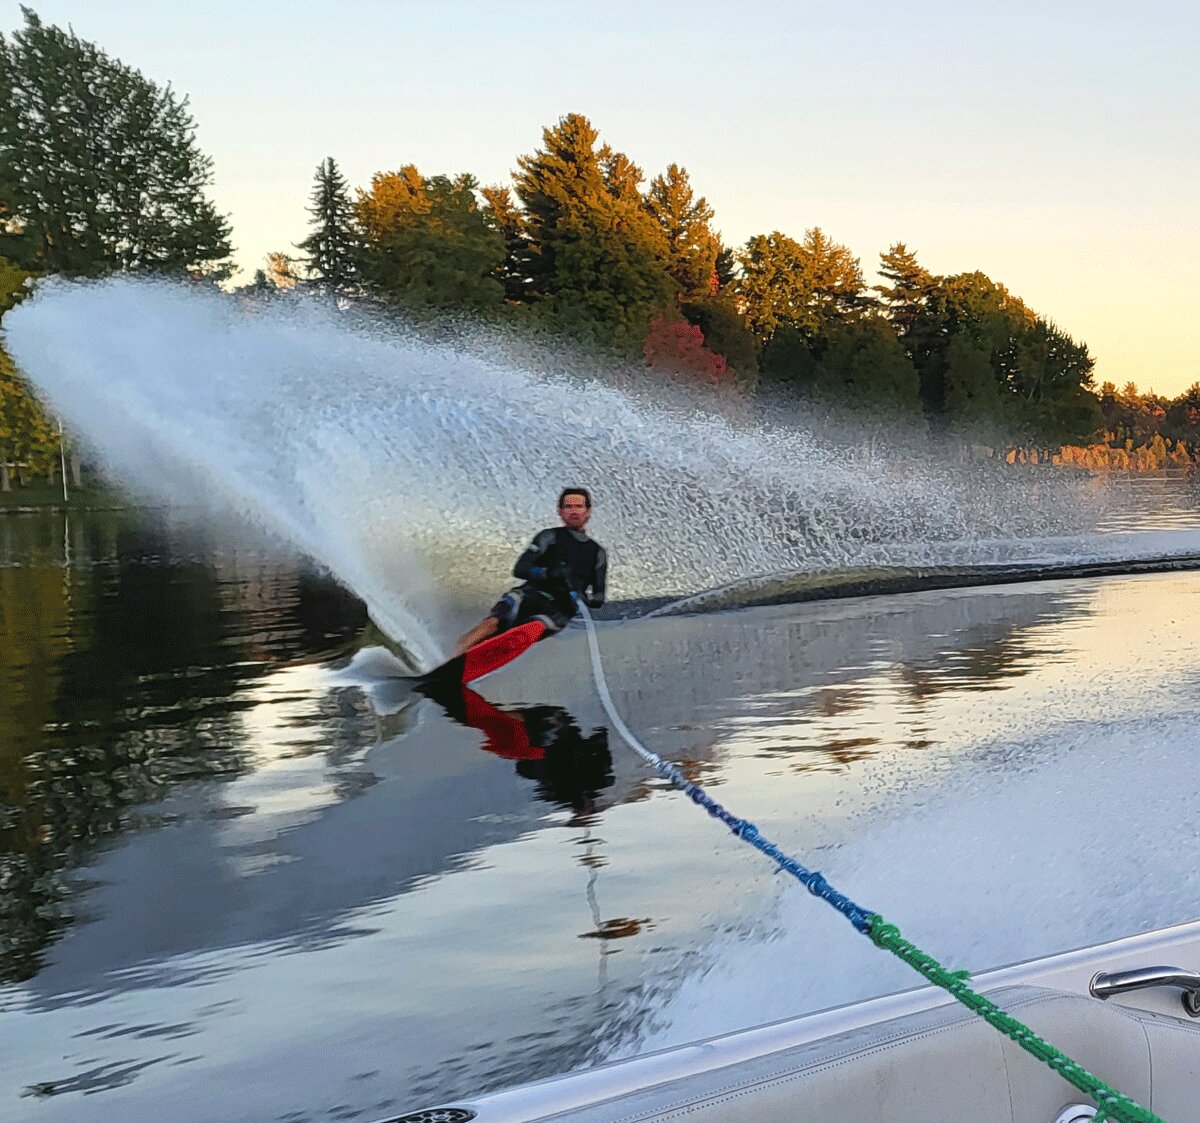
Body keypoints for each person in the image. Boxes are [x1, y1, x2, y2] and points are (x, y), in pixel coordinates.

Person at [453, 488, 607, 656]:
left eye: (579, 506)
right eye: (568, 506)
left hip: (560, 610)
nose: (574, 511)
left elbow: (599, 597)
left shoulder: (597, 552)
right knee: (495, 622)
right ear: (560, 511)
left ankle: (477, 662)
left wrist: (584, 597)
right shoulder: (548, 537)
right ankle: (455, 655)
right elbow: (520, 569)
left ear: (588, 511)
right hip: (530, 594)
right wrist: (548, 573)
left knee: (525, 631)